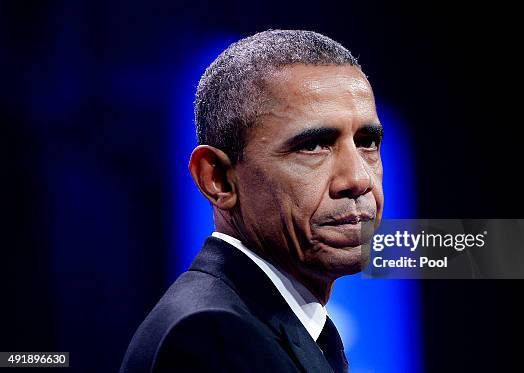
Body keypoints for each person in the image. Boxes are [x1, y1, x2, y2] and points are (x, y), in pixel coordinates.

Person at [120, 29, 384, 373]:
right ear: (218, 179)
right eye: (313, 146)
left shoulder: (277, 323)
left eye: (367, 142)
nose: (359, 179)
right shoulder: (214, 336)